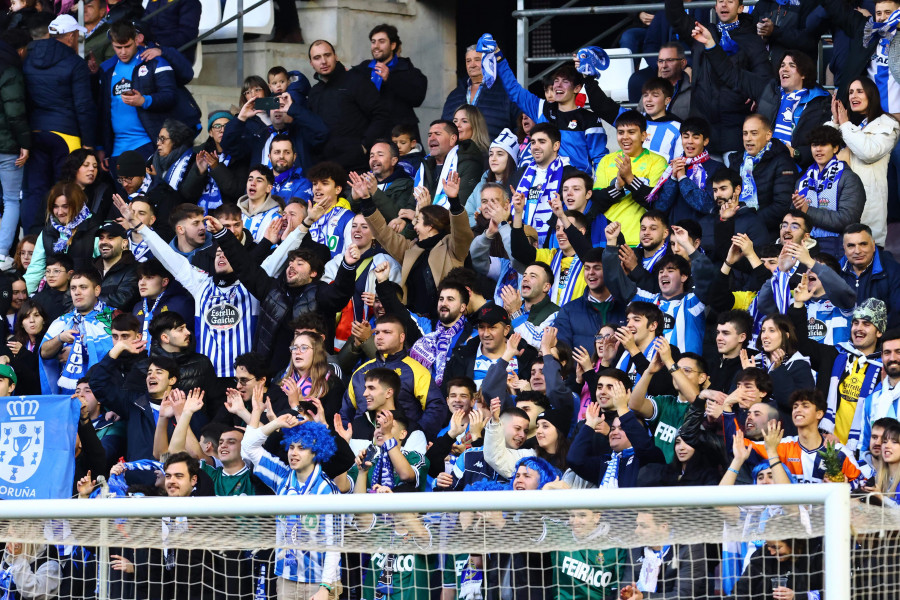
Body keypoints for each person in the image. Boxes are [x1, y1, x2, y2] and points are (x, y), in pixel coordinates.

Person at [209, 213, 357, 372]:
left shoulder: (321, 293)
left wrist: (347, 266)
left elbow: (341, 293)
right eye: (290, 263)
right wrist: (222, 234)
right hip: (269, 377)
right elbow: (244, 266)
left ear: (313, 273)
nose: (292, 266)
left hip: (309, 377)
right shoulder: (271, 288)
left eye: (300, 264)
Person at [692, 23, 831, 168]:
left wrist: (796, 153)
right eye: (782, 65)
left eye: (792, 66)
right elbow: (732, 74)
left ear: (804, 74)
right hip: (764, 166)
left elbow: (822, 141)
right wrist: (711, 45)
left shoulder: (819, 103)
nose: (784, 69)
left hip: (799, 169)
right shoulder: (768, 89)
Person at [240, 413, 341, 600]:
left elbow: (334, 544)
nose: (293, 453)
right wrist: (276, 423)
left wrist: (325, 588)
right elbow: (248, 447)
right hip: (285, 578)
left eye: (301, 448)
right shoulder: (282, 477)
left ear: (317, 452)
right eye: (291, 447)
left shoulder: (327, 489)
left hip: (320, 582)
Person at [663, 0, 770, 154]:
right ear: (715, 6)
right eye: (720, 1)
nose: (724, 5)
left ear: (740, 8)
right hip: (702, 125)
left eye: (730, 1)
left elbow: (764, 81)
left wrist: (752, 91)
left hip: (734, 128)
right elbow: (676, 16)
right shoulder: (701, 32)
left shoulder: (752, 40)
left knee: (730, 178)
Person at [21, 14, 96, 235]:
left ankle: (33, 240)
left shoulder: (28, 56)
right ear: (71, 36)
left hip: (35, 131)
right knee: (66, 189)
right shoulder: (75, 63)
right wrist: (89, 144)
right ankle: (64, 240)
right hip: (66, 134)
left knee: (34, 191)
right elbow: (84, 106)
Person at [489, 44, 607, 173]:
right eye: (556, 81)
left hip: (574, 186)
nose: (558, 86)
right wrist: (498, 56)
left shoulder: (590, 119)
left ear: (577, 88)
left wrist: (597, 189)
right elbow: (514, 90)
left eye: (565, 82)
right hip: (544, 184)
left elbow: (600, 159)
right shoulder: (542, 108)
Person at [604, 223, 709, 355]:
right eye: (660, 272)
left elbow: (708, 277)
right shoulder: (645, 301)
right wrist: (611, 242)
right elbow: (614, 280)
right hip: (648, 371)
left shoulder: (693, 302)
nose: (664, 274)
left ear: (684, 276)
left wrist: (687, 246)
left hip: (682, 372)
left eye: (670, 270)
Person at [341, 315, 447, 440]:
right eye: (377, 332)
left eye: (387, 332)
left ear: (401, 337)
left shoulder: (416, 370)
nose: (379, 336)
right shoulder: (360, 371)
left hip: (401, 446)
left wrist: (416, 436)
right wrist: (350, 440)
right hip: (360, 446)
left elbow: (437, 406)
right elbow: (345, 413)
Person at [826, 78, 900, 246]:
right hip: (841, 208)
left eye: (859, 91)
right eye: (851, 92)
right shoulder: (854, 127)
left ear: (871, 94)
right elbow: (822, 151)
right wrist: (835, 122)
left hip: (869, 213)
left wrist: (844, 125)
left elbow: (868, 152)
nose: (853, 96)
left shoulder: (888, 124)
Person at [98, 21, 180, 168]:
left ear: (136, 40)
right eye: (118, 47)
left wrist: (144, 100)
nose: (123, 52)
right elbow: (103, 110)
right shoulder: (106, 69)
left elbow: (170, 96)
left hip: (147, 143)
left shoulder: (154, 61)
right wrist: (101, 147)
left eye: (127, 46)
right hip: (116, 150)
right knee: (121, 192)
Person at [745, 389, 864, 486]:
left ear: (819, 414)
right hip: (789, 515)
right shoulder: (781, 445)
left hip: (824, 515)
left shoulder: (839, 452)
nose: (798, 410)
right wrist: (727, 410)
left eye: (805, 406)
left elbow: (862, 485)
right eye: (795, 406)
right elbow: (739, 445)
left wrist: (843, 487)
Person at [567, 372, 666, 487]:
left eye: (622, 428)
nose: (614, 432)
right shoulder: (605, 463)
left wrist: (623, 408)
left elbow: (643, 445)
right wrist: (589, 425)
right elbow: (574, 460)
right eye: (613, 428)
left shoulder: (646, 459)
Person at [307, 39, 391, 172]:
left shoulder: (356, 81)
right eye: (317, 58)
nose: (323, 61)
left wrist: (364, 146)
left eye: (327, 55)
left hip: (357, 168)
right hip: (325, 169)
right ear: (312, 63)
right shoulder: (314, 92)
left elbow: (381, 114)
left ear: (336, 56)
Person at [592, 111, 668, 247]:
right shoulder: (606, 160)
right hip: (608, 240)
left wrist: (630, 179)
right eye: (620, 132)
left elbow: (656, 202)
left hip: (640, 241)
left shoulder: (658, 162)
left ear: (643, 135)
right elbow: (597, 201)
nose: (625, 137)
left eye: (631, 132)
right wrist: (617, 187)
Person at [790, 125, 866, 258]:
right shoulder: (802, 179)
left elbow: (848, 220)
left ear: (835, 148)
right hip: (804, 244)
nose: (818, 149)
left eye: (823, 144)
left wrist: (808, 211)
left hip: (836, 245)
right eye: (814, 145)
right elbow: (793, 217)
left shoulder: (849, 178)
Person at [650, 117, 724, 249]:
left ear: (705, 141)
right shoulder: (672, 167)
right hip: (674, 238)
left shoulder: (716, 168)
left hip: (702, 238)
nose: (689, 141)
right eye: (686, 136)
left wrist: (683, 178)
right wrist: (673, 178)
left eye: (696, 137)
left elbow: (706, 205)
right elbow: (660, 208)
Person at [38, 269, 114, 395]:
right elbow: (44, 353)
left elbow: (118, 354)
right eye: (73, 288)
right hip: (68, 396)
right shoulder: (62, 321)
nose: (77, 292)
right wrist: (59, 339)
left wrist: (77, 353)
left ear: (97, 290)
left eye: (83, 287)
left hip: (103, 397)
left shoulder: (114, 317)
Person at [350, 24, 427, 142]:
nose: (376, 46)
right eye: (373, 42)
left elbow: (417, 98)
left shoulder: (408, 70)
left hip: (400, 137)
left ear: (393, 45)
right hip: (370, 135)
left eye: (381, 41)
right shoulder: (362, 69)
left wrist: (390, 79)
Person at [24, 182, 101, 294]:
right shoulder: (47, 232)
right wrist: (20, 296)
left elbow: (104, 271)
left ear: (78, 205)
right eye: (55, 207)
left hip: (84, 298)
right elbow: (35, 271)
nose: (59, 212)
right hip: (53, 296)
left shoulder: (95, 229)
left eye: (65, 206)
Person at [441, 44, 519, 139]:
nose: (472, 65)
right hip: (458, 152)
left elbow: (520, 127)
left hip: (492, 152)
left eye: (477, 60)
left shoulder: (507, 92)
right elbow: (444, 128)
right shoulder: (454, 95)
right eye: (468, 61)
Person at [509, 123, 567, 245]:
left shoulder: (569, 174)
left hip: (553, 244)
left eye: (542, 142)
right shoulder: (519, 175)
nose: (535, 146)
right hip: (523, 244)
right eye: (533, 142)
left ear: (556, 145)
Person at [0, 31, 28, 271]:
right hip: (7, 146)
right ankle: (0, 254)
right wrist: (25, 142)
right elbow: (15, 113)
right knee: (11, 199)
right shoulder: (10, 72)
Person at [181, 111, 246, 213]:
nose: (222, 130)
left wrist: (216, 167)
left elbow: (236, 191)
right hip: (200, 216)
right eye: (217, 126)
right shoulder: (199, 153)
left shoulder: (241, 154)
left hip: (228, 216)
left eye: (227, 126)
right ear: (210, 132)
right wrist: (199, 173)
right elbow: (187, 194)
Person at [851, 330, 900, 460]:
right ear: (882, 357)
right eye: (887, 353)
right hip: (879, 476)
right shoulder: (871, 401)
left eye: (898, 352)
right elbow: (864, 447)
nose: (893, 358)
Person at [415, 119, 483, 212]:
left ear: (452, 139)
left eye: (437, 134)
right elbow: (412, 202)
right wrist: (404, 219)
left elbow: (461, 208)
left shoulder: (468, 165)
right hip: (419, 220)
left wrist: (425, 211)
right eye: (429, 135)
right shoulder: (425, 165)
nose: (432, 138)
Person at [840, 224, 900, 327]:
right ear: (844, 249)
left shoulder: (893, 271)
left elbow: (897, 315)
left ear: (873, 245)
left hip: (881, 337)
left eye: (863, 244)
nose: (857, 251)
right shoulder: (835, 272)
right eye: (851, 246)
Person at [280, 331, 346, 422]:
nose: (297, 352)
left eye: (304, 348)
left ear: (316, 352)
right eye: (294, 348)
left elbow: (327, 428)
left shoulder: (333, 384)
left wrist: (296, 405)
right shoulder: (282, 378)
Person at [347, 139, 414, 225]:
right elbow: (345, 219)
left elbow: (398, 219)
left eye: (380, 155)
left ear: (393, 161)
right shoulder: (364, 183)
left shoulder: (407, 185)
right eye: (371, 156)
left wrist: (375, 192)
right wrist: (353, 199)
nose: (374, 159)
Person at [130, 259, 194, 342]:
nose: (142, 283)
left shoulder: (182, 304)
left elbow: (191, 338)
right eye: (140, 278)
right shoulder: (138, 306)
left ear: (164, 282)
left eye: (149, 277)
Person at [304, 161, 355, 259]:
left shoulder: (348, 218)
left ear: (338, 189)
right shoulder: (307, 218)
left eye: (324, 183)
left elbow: (350, 256)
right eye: (315, 184)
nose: (317, 188)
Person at [3, 299, 47, 396]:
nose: (32, 320)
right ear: (21, 323)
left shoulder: (50, 341)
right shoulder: (13, 343)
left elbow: (38, 374)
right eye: (26, 317)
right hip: (19, 399)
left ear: (44, 320)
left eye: (36, 315)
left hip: (44, 397)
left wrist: (23, 353)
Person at [93, 221, 139, 311]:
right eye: (101, 238)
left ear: (124, 243)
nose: (104, 242)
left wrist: (87, 300)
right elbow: (70, 297)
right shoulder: (90, 268)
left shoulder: (135, 269)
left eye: (110, 238)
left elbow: (122, 300)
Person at [59, 148, 115, 221]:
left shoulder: (104, 191)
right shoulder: (59, 191)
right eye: (86, 165)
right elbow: (41, 225)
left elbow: (111, 223)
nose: (92, 169)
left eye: (95, 166)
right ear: (74, 167)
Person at [236, 164, 283, 243]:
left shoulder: (276, 218)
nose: (253, 183)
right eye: (250, 179)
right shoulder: (235, 213)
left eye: (259, 180)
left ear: (269, 188)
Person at [30, 254, 74, 323]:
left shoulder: (75, 298)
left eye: (56, 271)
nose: (50, 275)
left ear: (70, 274)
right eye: (48, 271)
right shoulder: (37, 299)